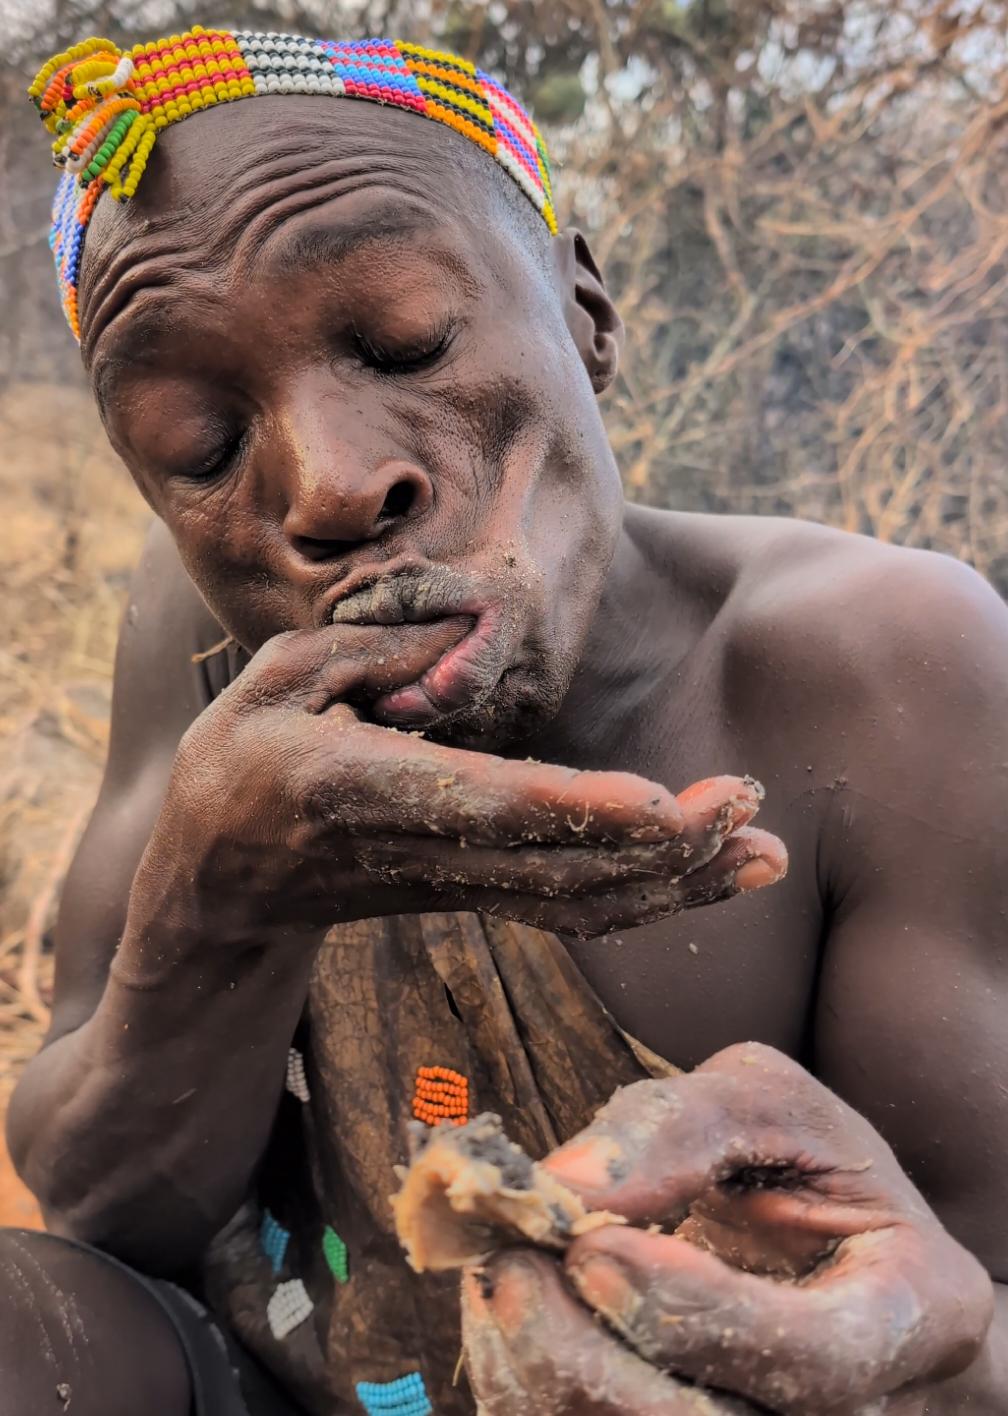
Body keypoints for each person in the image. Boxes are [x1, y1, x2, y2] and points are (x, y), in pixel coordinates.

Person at [5, 25, 1007, 1416]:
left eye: (404, 337)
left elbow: (978, 1300)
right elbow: (104, 1210)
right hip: (299, 1368)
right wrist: (218, 909)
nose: (331, 486)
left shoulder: (880, 667)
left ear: (586, 317)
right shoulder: (208, 651)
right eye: (200, 445)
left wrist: (919, 1354)